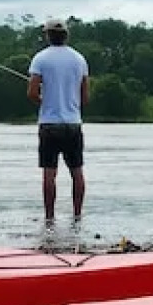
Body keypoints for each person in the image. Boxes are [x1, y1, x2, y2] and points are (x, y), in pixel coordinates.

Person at [27, 17, 89, 221]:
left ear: (48, 35)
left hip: (49, 124)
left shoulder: (40, 59)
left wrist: (46, 99)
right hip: (73, 124)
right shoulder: (80, 60)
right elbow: (85, 98)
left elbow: (32, 93)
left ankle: (49, 219)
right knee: (77, 172)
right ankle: (77, 216)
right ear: (66, 35)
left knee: (49, 174)